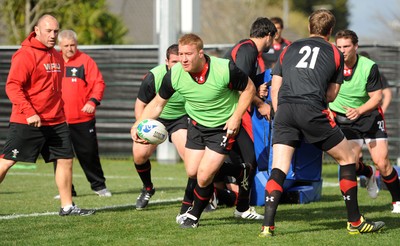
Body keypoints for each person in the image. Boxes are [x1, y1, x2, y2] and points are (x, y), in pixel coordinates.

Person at [259, 10, 384, 237]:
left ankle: (267, 226)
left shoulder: (288, 49)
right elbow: (332, 94)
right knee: (347, 158)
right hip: (311, 110)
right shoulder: (335, 53)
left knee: (278, 168)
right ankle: (355, 222)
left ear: (309, 28)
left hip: (284, 111)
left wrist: (281, 112)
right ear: (330, 32)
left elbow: (275, 86)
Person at [131, 33, 255, 228]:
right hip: (196, 125)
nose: (183, 59)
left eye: (188, 54)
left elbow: (249, 88)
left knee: (204, 175)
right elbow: (157, 104)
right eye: (180, 54)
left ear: (200, 53)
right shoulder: (175, 74)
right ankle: (241, 172)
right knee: (192, 171)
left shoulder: (223, 69)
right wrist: (138, 125)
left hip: (222, 127)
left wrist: (236, 117)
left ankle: (193, 215)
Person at [0, 14, 95, 216]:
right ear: (37, 30)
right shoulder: (25, 55)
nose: (53, 35)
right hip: (28, 120)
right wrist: (29, 112)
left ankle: (67, 206)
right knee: (7, 161)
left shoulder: (57, 55)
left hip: (56, 121)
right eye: (49, 31)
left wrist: (60, 111)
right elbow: (12, 87)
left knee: (65, 159)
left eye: (56, 31)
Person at [331, 30, 400, 212]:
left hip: (369, 116)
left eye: (346, 46)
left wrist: (359, 110)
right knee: (350, 165)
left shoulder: (369, 66)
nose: (343, 50)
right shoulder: (330, 65)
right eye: (339, 47)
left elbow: (377, 97)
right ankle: (368, 173)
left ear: (356, 47)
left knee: (383, 163)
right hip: (345, 120)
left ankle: (397, 201)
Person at [218, 17, 276, 220]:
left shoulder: (247, 49)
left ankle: (240, 207)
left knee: (245, 163)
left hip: (230, 112)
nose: (273, 43)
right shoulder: (248, 49)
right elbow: (242, 83)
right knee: (246, 162)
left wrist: (258, 86)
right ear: (268, 35)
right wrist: (261, 104)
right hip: (228, 114)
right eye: (273, 38)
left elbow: (246, 81)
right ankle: (211, 188)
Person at [53, 29, 111, 199]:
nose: (70, 48)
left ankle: (99, 186)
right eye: (66, 45)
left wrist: (92, 101)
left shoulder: (85, 61)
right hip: (58, 120)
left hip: (82, 119)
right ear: (59, 46)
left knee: (88, 153)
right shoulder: (53, 62)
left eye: (73, 45)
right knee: (60, 157)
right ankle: (66, 190)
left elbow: (98, 83)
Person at [133, 44, 188, 210]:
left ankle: (202, 194)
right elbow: (140, 104)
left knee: (190, 158)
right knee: (139, 155)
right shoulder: (154, 76)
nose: (178, 65)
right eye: (174, 62)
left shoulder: (191, 74)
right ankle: (148, 188)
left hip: (182, 118)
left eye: (181, 61)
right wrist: (141, 128)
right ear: (166, 61)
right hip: (156, 119)